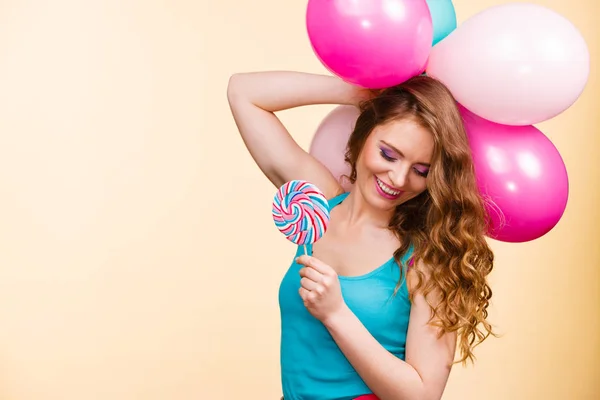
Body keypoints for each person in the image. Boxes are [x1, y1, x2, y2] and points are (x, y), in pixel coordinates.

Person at [227, 71, 495, 400]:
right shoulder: (319, 205)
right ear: (364, 134)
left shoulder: (428, 257)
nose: (397, 178)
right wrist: (365, 93)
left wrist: (336, 313)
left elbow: (422, 395)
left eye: (421, 170)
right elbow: (244, 92)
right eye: (388, 154)